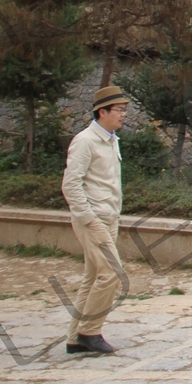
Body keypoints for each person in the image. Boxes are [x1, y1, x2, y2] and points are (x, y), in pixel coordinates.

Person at [60, 85, 131, 354]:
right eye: (119, 110)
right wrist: (89, 218)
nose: (123, 114)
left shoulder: (110, 139)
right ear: (102, 112)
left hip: (108, 217)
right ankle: (89, 331)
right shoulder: (85, 141)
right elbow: (71, 185)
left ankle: (74, 339)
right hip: (93, 220)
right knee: (112, 274)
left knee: (94, 276)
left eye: (125, 110)